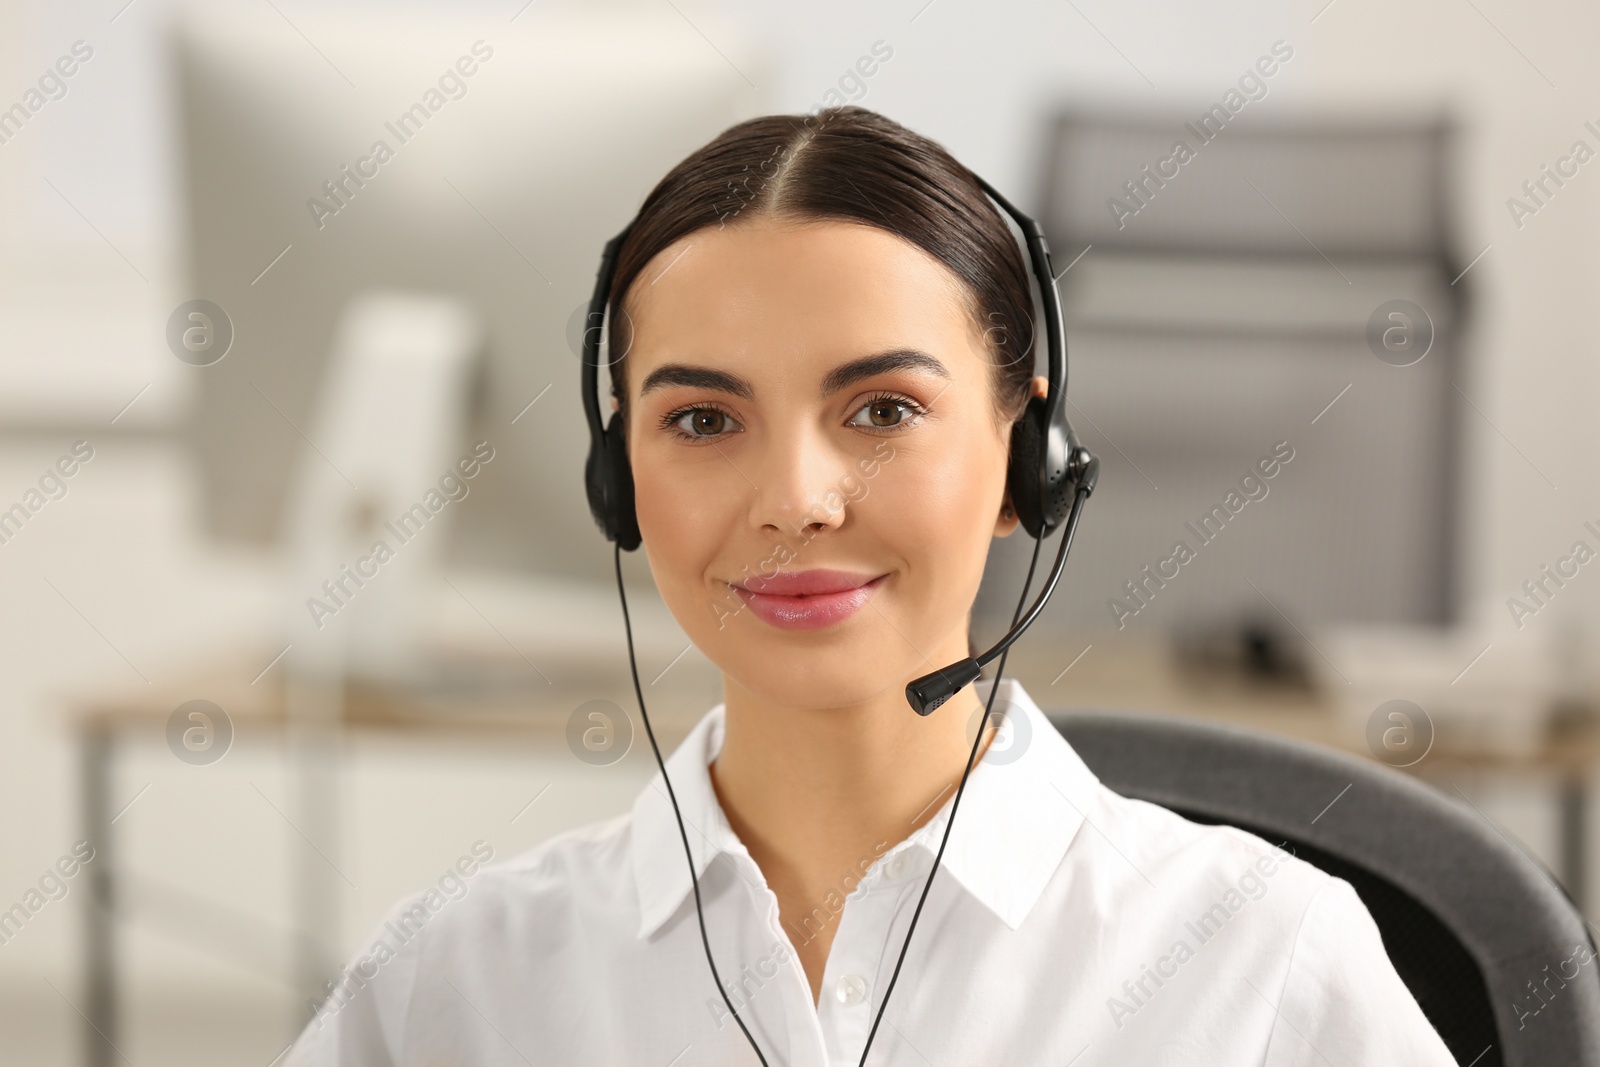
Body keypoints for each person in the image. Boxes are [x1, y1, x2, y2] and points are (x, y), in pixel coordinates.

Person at [285, 106, 1457, 1065]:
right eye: (702, 418)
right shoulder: (452, 988)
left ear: (1026, 462)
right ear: (618, 480)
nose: (796, 497)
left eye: (882, 410)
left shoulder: (1257, 962)